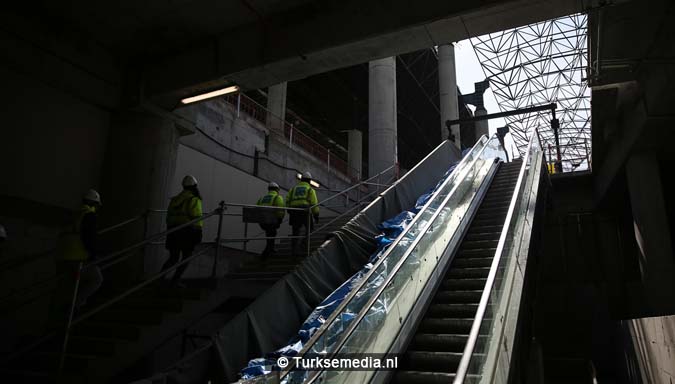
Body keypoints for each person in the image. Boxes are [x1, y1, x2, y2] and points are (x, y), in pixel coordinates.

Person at [60, 189, 104, 308]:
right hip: (79, 258)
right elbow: (89, 238)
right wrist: (94, 255)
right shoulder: (89, 216)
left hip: (63, 257)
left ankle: (67, 309)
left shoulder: (75, 214)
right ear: (94, 203)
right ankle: (76, 304)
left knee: (69, 287)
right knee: (96, 278)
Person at [162, 175, 203, 287]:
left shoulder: (175, 200)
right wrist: (198, 232)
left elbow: (169, 217)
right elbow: (197, 217)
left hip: (173, 230)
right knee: (187, 257)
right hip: (188, 232)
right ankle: (175, 281)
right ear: (195, 186)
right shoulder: (194, 199)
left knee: (173, 258)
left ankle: (159, 279)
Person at [286, 172, 320, 257]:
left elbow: (287, 200)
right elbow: (314, 204)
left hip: (294, 211)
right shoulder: (310, 190)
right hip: (305, 212)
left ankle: (294, 251)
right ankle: (303, 244)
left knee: (295, 232)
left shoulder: (293, 189)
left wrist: (289, 209)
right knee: (310, 228)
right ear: (309, 181)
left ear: (301, 180)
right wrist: (316, 215)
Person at [256, 182, 285, 259]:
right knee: (272, 233)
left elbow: (256, 209)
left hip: (262, 221)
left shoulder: (262, 198)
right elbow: (280, 210)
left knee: (270, 234)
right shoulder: (277, 198)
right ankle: (266, 253)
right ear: (276, 189)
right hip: (272, 221)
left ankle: (269, 250)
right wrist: (280, 220)